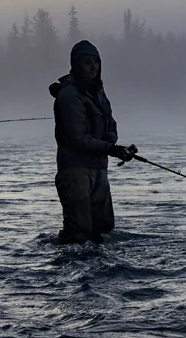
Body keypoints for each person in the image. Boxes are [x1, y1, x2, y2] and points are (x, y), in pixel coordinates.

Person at [49, 40, 137, 244]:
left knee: (103, 228)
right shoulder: (69, 95)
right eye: (87, 62)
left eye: (96, 62)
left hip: (99, 169)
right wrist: (113, 149)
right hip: (75, 171)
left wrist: (111, 142)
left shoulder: (98, 92)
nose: (93, 66)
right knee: (78, 234)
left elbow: (111, 123)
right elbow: (78, 140)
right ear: (76, 65)